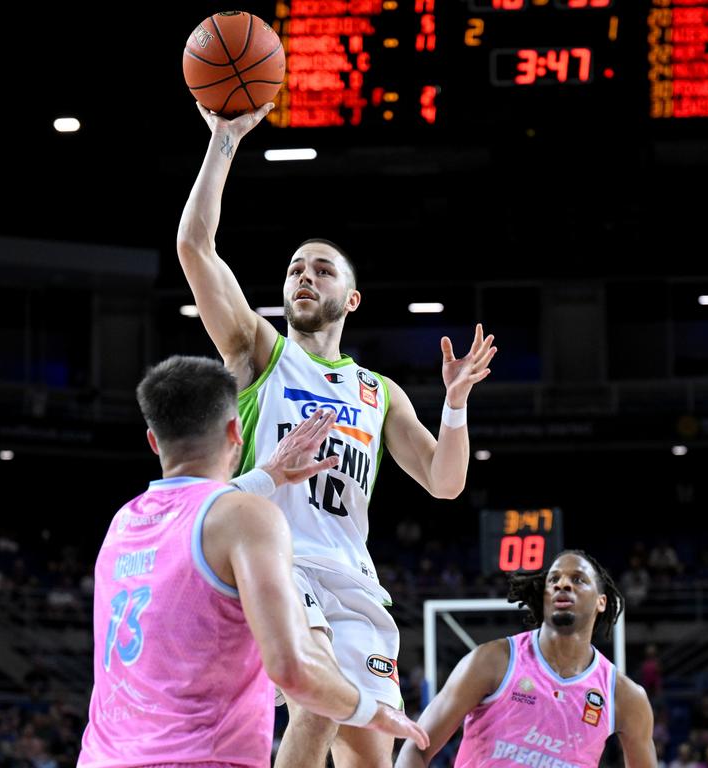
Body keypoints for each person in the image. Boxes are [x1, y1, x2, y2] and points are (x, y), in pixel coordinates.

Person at [176, 101, 496, 766]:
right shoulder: (259, 352)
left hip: (352, 579)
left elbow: (445, 482)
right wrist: (225, 140)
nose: (304, 275)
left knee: (370, 754)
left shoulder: (378, 393)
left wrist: (456, 403)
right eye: (296, 267)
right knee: (319, 704)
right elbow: (195, 248)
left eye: (321, 269)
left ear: (351, 298)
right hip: (273, 561)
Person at [77, 355, 428, 767]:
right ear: (235, 431)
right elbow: (293, 668)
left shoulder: (124, 523)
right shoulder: (245, 517)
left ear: (153, 440)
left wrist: (270, 474)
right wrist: (373, 711)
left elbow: (197, 510)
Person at [396, 550, 656, 768]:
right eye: (553, 579)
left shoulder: (625, 697)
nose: (562, 584)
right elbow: (415, 749)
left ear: (601, 602)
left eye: (578, 579)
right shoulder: (492, 662)